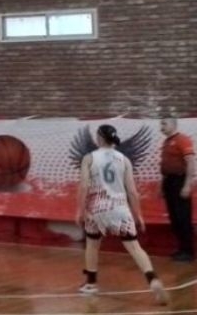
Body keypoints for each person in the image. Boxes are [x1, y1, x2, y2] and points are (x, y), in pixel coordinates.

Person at [76, 124, 168, 304]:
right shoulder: (124, 160)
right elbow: (132, 192)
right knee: (135, 247)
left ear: (99, 138)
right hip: (120, 208)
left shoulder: (89, 158)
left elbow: (84, 186)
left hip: (97, 209)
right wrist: (138, 215)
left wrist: (80, 210)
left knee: (92, 244)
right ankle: (153, 279)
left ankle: (91, 284)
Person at [159, 117, 195, 262]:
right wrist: (162, 186)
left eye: (164, 124)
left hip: (180, 181)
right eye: (161, 124)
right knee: (174, 218)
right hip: (169, 181)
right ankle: (181, 248)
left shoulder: (183, 140)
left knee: (183, 217)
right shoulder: (166, 142)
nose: (161, 126)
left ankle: (188, 252)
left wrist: (187, 184)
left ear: (173, 125)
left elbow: (191, 163)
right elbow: (165, 166)